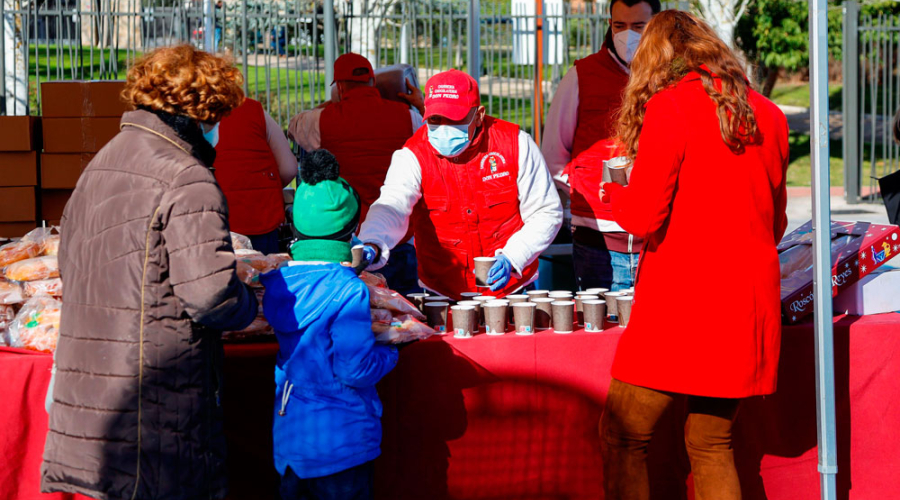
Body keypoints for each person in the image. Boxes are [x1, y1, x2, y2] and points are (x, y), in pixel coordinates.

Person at [41, 45, 259, 500]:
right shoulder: (186, 176)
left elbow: (70, 264)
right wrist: (249, 298)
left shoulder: (102, 163)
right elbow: (210, 296)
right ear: (203, 113)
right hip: (155, 401)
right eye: (218, 117)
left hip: (90, 400)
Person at [597, 11, 789, 499]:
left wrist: (611, 189)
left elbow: (640, 218)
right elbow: (777, 221)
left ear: (656, 60)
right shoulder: (769, 113)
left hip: (684, 306)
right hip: (747, 306)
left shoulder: (671, 106)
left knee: (623, 433)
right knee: (711, 443)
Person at [261, 149, 398, 500]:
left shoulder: (277, 284)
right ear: (351, 233)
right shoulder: (349, 291)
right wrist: (392, 351)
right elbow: (355, 369)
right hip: (343, 443)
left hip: (292, 442)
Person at [357, 69, 563, 300]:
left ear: (479, 115)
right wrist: (372, 241)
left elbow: (546, 211)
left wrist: (514, 256)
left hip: (513, 290)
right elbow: (392, 204)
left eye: (454, 119)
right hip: (442, 292)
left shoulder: (516, 145)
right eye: (435, 119)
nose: (443, 127)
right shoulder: (413, 155)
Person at [541, 0, 660, 291]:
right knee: (600, 331)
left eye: (638, 26)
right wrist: (585, 187)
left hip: (657, 242)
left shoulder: (669, 78)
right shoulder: (581, 76)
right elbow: (554, 153)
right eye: (619, 25)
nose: (627, 34)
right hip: (597, 242)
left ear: (656, 26)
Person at [288, 53, 425, 296]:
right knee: (408, 317)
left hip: (349, 242)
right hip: (401, 236)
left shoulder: (320, 121)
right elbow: (432, 132)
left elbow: (293, 127)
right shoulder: (410, 117)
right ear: (374, 82)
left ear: (339, 86)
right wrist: (421, 103)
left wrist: (333, 103)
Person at [216, 97, 298, 254]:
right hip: (260, 218)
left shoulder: (184, 113)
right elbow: (289, 168)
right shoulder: (254, 109)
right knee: (264, 274)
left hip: (211, 224)